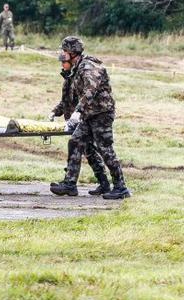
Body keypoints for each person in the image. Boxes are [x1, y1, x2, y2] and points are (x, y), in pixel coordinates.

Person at [49, 36, 130, 200]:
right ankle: (70, 184)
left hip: (101, 114)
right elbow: (70, 98)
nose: (62, 55)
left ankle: (121, 187)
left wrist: (78, 112)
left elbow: (90, 92)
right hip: (89, 114)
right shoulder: (77, 69)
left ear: (73, 52)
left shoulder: (88, 67)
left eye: (64, 51)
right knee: (75, 141)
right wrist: (56, 112)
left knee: (105, 149)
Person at [51, 56, 110, 196]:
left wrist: (78, 113)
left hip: (85, 117)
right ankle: (104, 184)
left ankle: (70, 184)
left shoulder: (80, 75)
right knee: (89, 150)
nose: (62, 64)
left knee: (78, 144)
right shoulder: (69, 77)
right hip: (78, 118)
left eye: (64, 62)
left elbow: (86, 97)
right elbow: (65, 101)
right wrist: (54, 111)